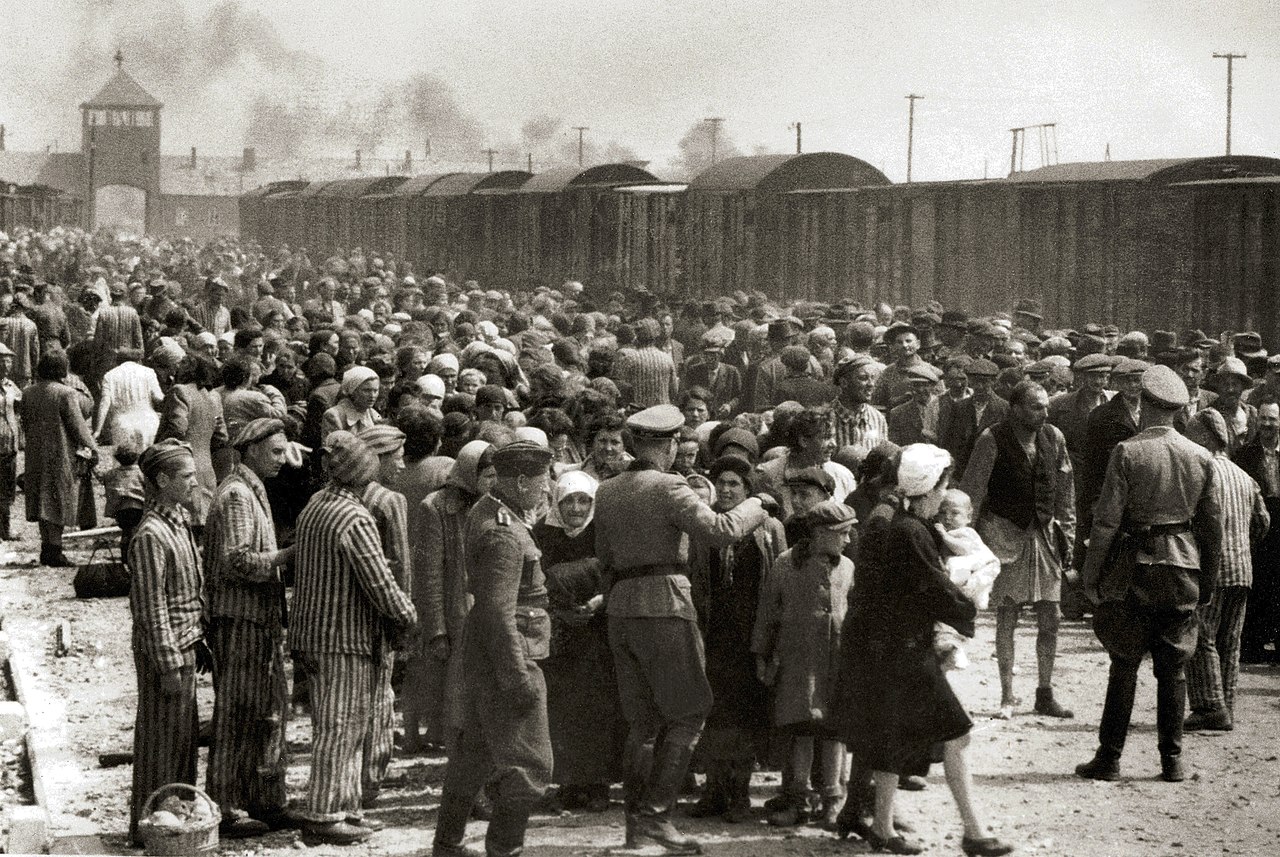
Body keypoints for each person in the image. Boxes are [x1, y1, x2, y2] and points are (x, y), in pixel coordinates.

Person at [594, 404, 770, 855]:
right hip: (665, 607)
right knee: (690, 711)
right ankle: (655, 819)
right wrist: (757, 503)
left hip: (621, 610)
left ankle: (638, 827)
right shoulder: (670, 485)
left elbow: (606, 556)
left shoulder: (608, 490)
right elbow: (721, 529)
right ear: (670, 445)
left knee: (643, 724)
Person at [838, 443, 1012, 856]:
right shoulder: (912, 532)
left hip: (878, 649)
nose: (942, 496)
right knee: (958, 734)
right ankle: (973, 832)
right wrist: (967, 607)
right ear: (929, 486)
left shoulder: (891, 523)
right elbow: (937, 590)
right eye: (942, 486)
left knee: (889, 735)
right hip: (905, 652)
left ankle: (882, 827)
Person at [1076, 366, 1223, 784]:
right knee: (1173, 669)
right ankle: (1171, 760)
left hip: (1133, 568)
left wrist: (1091, 576)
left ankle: (1110, 757)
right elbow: (1212, 527)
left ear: (1146, 405)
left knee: (1124, 663)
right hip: (1183, 568)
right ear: (1177, 410)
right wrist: (1207, 581)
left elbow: (1105, 523)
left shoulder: (1127, 451)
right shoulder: (1200, 457)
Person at [292, 431, 417, 845]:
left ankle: (344, 807)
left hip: (312, 633)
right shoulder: (355, 517)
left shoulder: (315, 505)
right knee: (342, 728)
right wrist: (406, 614)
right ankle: (326, 813)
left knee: (335, 724)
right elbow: (379, 582)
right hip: (344, 639)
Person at [432, 440, 556, 857]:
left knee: (475, 755)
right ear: (521, 481)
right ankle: (505, 850)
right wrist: (517, 676)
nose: (547, 488)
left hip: (490, 656)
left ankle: (447, 845)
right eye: (542, 481)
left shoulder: (489, 510)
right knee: (530, 766)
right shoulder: (504, 532)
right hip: (510, 655)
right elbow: (498, 613)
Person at [961, 380, 1076, 719]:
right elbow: (973, 492)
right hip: (1005, 536)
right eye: (1036, 407)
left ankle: (1044, 692)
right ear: (1015, 409)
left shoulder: (1054, 438)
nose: (1044, 413)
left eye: (1046, 407)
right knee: (1007, 616)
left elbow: (1066, 491)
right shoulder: (991, 439)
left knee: (1051, 617)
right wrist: (971, 545)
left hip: (1043, 536)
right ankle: (1007, 697)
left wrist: (1066, 533)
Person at [203, 419, 295, 836]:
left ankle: (260, 797)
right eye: (275, 451)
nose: (283, 459)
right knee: (236, 715)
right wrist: (287, 557)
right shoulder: (237, 495)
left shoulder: (252, 488)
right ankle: (225, 806)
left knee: (263, 713)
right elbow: (237, 560)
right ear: (252, 449)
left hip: (256, 619)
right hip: (239, 620)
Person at [686, 456, 786, 825]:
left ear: (749, 491)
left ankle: (739, 794)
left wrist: (770, 639)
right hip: (715, 632)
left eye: (735, 485)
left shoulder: (769, 527)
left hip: (751, 633)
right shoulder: (706, 527)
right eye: (722, 483)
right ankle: (714, 790)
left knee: (746, 714)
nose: (727, 490)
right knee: (714, 712)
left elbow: (777, 583)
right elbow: (696, 578)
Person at [127, 440, 208, 846]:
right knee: (160, 743)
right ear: (162, 481)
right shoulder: (150, 536)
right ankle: (149, 828)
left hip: (185, 646)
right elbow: (151, 609)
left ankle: (172, 820)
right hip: (168, 654)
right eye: (187, 477)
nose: (195, 483)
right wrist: (169, 664)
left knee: (181, 741)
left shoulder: (177, 521)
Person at [753, 500, 851, 829]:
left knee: (835, 731)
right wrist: (762, 654)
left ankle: (832, 802)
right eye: (843, 534)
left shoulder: (848, 567)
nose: (849, 541)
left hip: (835, 662)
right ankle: (798, 798)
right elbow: (767, 611)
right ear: (821, 534)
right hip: (798, 663)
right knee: (802, 730)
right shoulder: (786, 563)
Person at [532, 470, 625, 814]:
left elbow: (616, 574)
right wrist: (562, 611)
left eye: (583, 499)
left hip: (599, 632)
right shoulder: (543, 533)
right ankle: (570, 783)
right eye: (568, 500)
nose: (575, 507)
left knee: (600, 708)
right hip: (563, 635)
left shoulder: (605, 532)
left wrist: (599, 602)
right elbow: (537, 579)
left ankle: (599, 783)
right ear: (557, 501)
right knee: (565, 709)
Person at [1183, 408, 1269, 731]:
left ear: (1206, 437)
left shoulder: (1202, 471)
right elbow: (1263, 521)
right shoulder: (1244, 476)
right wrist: (1244, 544)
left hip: (1212, 569)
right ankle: (1227, 705)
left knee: (1201, 634)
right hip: (1243, 569)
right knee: (1230, 641)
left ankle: (1208, 706)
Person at [410, 441, 496, 752]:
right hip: (455, 612)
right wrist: (436, 629)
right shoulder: (435, 507)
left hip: (488, 610)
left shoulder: (497, 507)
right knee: (455, 691)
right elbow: (428, 574)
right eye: (487, 475)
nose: (493, 483)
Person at [355, 423, 412, 807]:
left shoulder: (348, 495)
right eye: (397, 458)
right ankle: (371, 777)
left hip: (355, 608)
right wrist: (404, 616)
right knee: (380, 695)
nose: (403, 466)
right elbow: (402, 564)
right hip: (385, 606)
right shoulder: (389, 500)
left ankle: (361, 775)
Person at [20, 350, 97, 566]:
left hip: (35, 453)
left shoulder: (28, 392)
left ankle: (47, 548)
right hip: (59, 453)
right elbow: (78, 426)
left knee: (41, 499)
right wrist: (92, 448)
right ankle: (55, 551)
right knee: (58, 499)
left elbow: (25, 422)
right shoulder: (66, 393)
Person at [932, 489, 1000, 672]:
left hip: (971, 574)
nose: (947, 518)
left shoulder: (966, 532)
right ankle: (954, 648)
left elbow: (964, 550)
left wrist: (945, 536)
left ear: (969, 516)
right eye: (942, 512)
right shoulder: (946, 531)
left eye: (955, 513)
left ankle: (956, 648)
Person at [1236, 401, 1280, 663]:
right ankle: (1252, 644)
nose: (1267, 424)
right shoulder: (1245, 455)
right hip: (1258, 528)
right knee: (1259, 583)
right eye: (1262, 419)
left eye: (1272, 419)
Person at [322, 366, 381, 440]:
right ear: (352, 391)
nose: (372, 395)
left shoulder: (374, 415)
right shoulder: (334, 415)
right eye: (366, 390)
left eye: (375, 391)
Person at [0, 343, 21, 540]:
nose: (6, 364)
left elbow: (23, 403)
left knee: (7, 488)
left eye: (9, 360)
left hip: (9, 441)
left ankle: (5, 530)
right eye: (2, 360)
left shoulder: (10, 385)